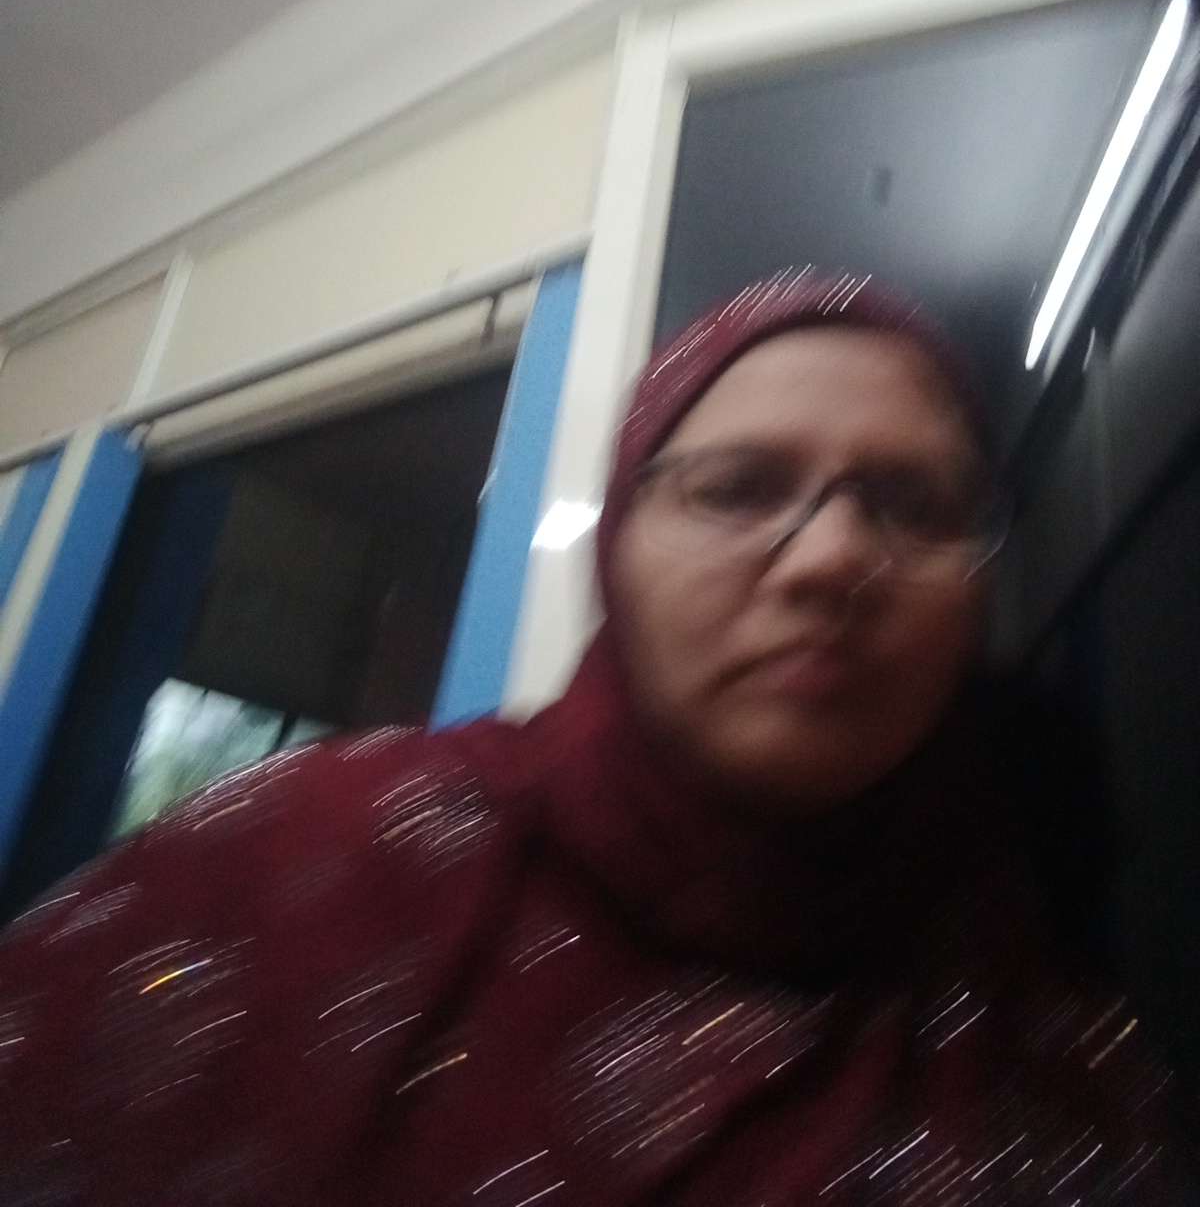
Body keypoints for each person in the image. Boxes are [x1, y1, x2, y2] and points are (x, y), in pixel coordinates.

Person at [0, 270, 1191, 1204]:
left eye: (918, 505)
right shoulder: (299, 860)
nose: (832, 559)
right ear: (617, 544)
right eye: (739, 487)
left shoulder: (1035, 1027)